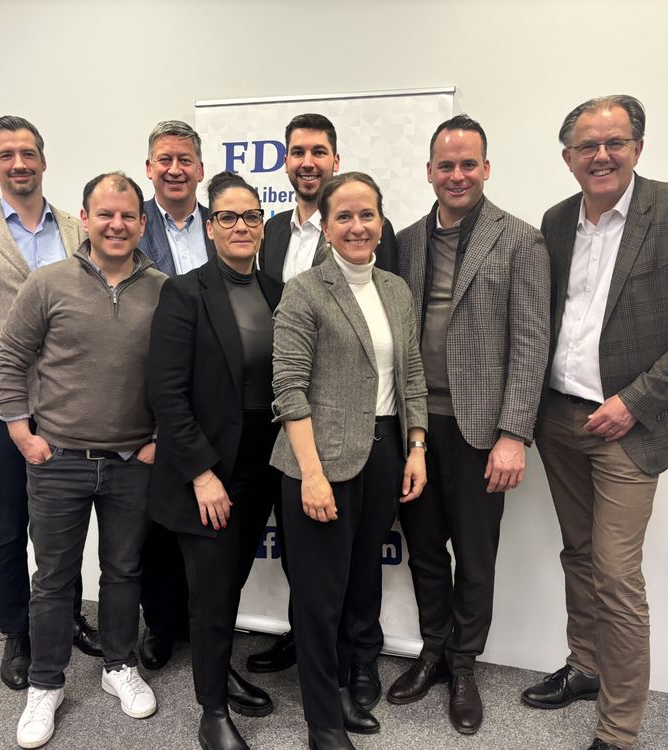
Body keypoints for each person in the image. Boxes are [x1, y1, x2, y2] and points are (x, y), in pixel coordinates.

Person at [521, 95, 668, 750]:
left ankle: (618, 730)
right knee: (579, 554)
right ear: (568, 158)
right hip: (560, 418)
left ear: (638, 147)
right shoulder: (557, 220)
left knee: (616, 576)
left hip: (628, 428)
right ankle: (584, 666)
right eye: (588, 145)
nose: (602, 155)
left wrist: (635, 401)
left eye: (615, 142)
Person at [0, 172, 164, 749]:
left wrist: (159, 439)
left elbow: (179, 374)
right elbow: (9, 357)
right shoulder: (48, 283)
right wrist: (21, 432)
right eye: (105, 214)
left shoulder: (163, 290)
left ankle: (120, 665)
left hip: (131, 462)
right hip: (58, 459)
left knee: (124, 572)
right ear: (84, 219)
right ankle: (46, 683)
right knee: (54, 580)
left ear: (142, 222)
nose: (117, 224)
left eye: (128, 215)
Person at [390, 114, 550, 735]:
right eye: (445, 165)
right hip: (415, 428)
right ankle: (432, 651)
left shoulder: (521, 240)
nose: (456, 175)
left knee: (476, 557)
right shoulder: (406, 241)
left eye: (467, 164)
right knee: (426, 549)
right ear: (429, 171)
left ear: (485, 168)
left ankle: (464, 665)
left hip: (483, 432)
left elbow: (532, 342)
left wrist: (515, 434)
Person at [0, 115, 100, 693]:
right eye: (6, 155)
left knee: (65, 524)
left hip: (67, 401)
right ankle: (17, 633)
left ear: (43, 160)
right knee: (9, 524)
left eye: (28, 153)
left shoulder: (77, 228)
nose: (19, 164)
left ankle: (68, 615)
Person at [270, 172, 428, 750]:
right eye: (344, 216)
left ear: (381, 223)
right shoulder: (305, 290)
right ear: (327, 227)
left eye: (367, 215)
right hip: (318, 461)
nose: (357, 226)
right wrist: (312, 475)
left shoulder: (395, 289)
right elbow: (288, 388)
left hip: (384, 454)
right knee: (318, 597)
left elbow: (411, 372)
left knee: (359, 581)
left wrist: (417, 446)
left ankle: (339, 688)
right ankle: (323, 723)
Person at [249, 113, 397, 709]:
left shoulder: (373, 246)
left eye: (318, 151)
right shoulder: (270, 231)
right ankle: (309, 644)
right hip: (281, 418)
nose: (307, 161)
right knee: (306, 557)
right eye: (297, 152)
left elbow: (386, 339)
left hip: (353, 429)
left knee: (356, 561)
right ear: (286, 161)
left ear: (335, 159)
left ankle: (354, 656)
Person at [148, 171, 283, 750]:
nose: (240, 226)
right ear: (210, 227)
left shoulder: (277, 291)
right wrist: (202, 474)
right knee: (209, 593)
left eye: (250, 216)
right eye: (227, 217)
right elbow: (166, 394)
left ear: (262, 224)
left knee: (228, 585)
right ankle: (212, 714)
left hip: (261, 463)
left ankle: (218, 672)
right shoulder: (185, 293)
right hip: (206, 469)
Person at [137, 120, 216, 672]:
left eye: (185, 159)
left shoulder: (224, 224)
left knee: (209, 527)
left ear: (200, 169)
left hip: (216, 397)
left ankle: (202, 623)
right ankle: (161, 624)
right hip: (152, 396)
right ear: (149, 168)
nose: (174, 169)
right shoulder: (131, 224)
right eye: (164, 159)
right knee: (157, 526)